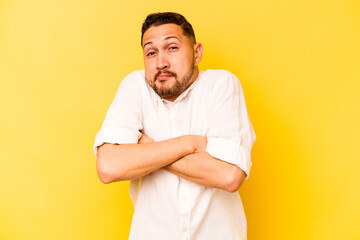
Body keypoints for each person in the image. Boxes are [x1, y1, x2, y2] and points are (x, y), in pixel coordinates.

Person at [93, 12, 256, 240]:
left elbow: (229, 176)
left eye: (172, 48)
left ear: (197, 53)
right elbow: (109, 167)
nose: (161, 63)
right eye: (151, 52)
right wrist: (188, 143)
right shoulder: (135, 87)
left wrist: (147, 147)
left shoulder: (221, 85)